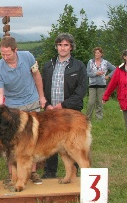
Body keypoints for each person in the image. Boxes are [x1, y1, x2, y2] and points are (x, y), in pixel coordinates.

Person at [0, 36, 46, 184]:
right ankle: (12, 175)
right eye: (2, 54)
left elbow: (37, 76)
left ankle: (32, 172)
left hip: (32, 102)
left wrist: (42, 97)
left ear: (16, 50)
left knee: (32, 140)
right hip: (13, 108)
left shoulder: (28, 56)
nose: (5, 57)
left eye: (8, 54)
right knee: (12, 142)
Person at [42, 33, 87, 178]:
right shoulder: (48, 65)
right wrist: (47, 104)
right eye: (60, 45)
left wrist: (64, 105)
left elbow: (81, 90)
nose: (63, 48)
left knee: (72, 144)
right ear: (56, 46)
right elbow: (41, 86)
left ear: (71, 47)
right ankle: (50, 172)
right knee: (50, 140)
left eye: (66, 45)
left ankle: (74, 172)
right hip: (50, 111)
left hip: (70, 112)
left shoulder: (79, 66)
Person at [86, 47, 116, 120]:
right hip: (92, 85)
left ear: (101, 54)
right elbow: (87, 73)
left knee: (100, 102)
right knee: (91, 102)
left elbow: (115, 69)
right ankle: (87, 118)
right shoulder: (90, 62)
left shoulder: (105, 62)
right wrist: (96, 73)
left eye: (98, 53)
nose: (96, 54)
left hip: (102, 85)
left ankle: (98, 119)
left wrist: (108, 76)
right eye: (95, 53)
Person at [102, 49, 127, 129]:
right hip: (124, 99)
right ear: (125, 57)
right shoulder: (119, 70)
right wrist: (106, 96)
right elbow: (112, 84)